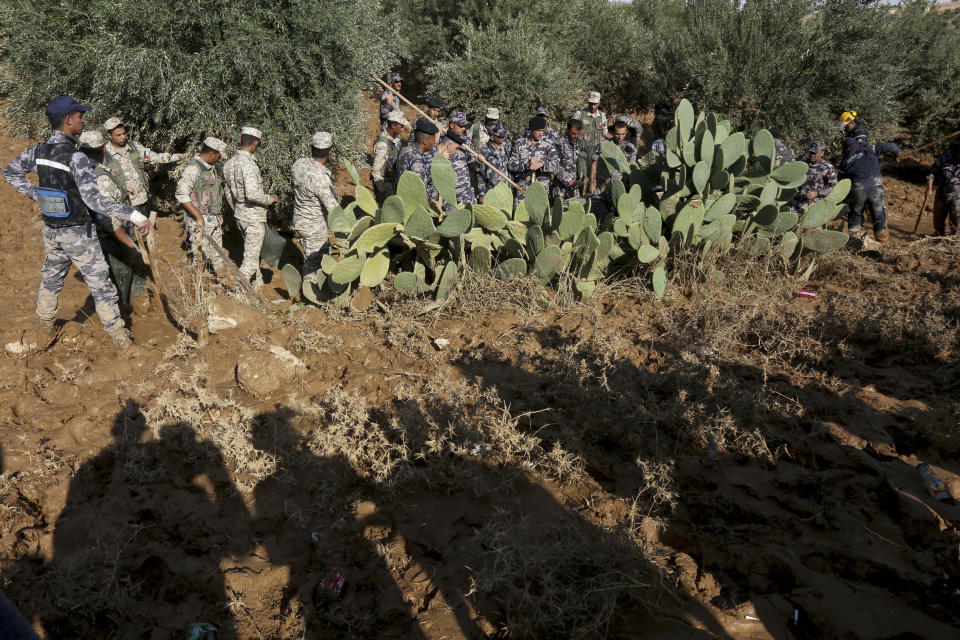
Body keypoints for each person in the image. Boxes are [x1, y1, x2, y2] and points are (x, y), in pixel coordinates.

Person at [1, 96, 153, 348]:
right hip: (78, 233)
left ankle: (46, 326)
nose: (83, 120)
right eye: (80, 116)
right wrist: (134, 215)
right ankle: (122, 341)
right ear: (68, 120)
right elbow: (95, 201)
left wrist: (37, 196)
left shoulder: (37, 151)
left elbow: (10, 171)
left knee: (51, 278)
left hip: (51, 230)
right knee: (102, 285)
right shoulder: (76, 157)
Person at [77, 130, 147, 309]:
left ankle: (128, 303)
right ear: (103, 149)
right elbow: (111, 219)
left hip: (93, 232)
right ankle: (123, 311)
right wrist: (131, 245)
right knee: (121, 271)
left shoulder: (82, 170)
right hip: (110, 235)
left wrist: (124, 189)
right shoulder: (99, 176)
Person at [222, 126, 279, 287]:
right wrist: (271, 199)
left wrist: (238, 210)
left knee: (252, 253)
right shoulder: (249, 165)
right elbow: (253, 194)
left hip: (240, 215)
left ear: (240, 140)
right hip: (253, 218)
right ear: (256, 143)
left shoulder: (229, 164)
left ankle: (257, 286)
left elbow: (228, 193)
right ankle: (238, 294)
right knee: (251, 259)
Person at [102, 116, 184, 214]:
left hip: (143, 200)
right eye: (119, 135)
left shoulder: (135, 148)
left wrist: (180, 156)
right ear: (109, 135)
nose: (123, 137)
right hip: (124, 204)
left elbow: (154, 157)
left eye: (124, 133)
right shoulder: (104, 155)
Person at [292, 131, 340, 286]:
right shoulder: (320, 177)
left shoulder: (298, 164)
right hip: (314, 225)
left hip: (299, 220)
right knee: (313, 265)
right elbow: (333, 208)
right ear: (330, 151)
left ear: (311, 148)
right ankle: (310, 296)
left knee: (314, 257)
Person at [176, 136, 229, 273]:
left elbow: (213, 193)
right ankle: (197, 288)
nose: (220, 159)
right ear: (211, 153)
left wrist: (219, 213)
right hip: (200, 221)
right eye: (219, 156)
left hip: (214, 219)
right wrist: (198, 217)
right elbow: (181, 194)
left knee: (217, 255)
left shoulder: (211, 168)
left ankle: (222, 285)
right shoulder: (194, 169)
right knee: (200, 257)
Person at [839, 133, 901, 242]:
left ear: (847, 148)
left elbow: (842, 182)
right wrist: (898, 153)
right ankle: (882, 238)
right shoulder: (871, 150)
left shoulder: (845, 161)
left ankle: (854, 238)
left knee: (855, 212)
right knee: (879, 213)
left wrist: (846, 200)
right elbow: (891, 146)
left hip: (858, 190)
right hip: (875, 187)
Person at [508, 115, 559, 203]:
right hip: (522, 191)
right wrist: (526, 165)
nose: (541, 133)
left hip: (541, 192)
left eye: (543, 130)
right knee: (520, 216)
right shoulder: (519, 144)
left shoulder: (549, 145)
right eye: (538, 130)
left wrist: (543, 164)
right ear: (531, 129)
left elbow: (556, 165)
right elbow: (511, 165)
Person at [394, 119, 440, 203]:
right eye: (433, 140)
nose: (434, 144)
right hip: (413, 205)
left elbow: (390, 167)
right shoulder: (417, 159)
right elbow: (420, 192)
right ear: (425, 141)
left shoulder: (404, 150)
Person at [588, 120, 636, 194]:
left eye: (623, 134)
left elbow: (632, 168)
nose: (620, 137)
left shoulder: (630, 148)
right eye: (617, 134)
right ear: (613, 132)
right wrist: (591, 183)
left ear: (626, 133)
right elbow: (594, 162)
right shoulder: (602, 145)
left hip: (622, 187)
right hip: (602, 185)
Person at [372, 109, 409, 201]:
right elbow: (376, 171)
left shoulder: (394, 136)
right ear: (393, 125)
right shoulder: (383, 145)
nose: (403, 128)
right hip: (387, 183)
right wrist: (382, 191)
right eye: (401, 126)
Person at [791, 141, 837, 212]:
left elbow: (833, 186)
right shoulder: (803, 163)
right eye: (811, 152)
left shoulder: (828, 167)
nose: (812, 155)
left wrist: (818, 193)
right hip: (798, 200)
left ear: (822, 153)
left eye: (815, 153)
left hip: (814, 204)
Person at [925, 142, 960, 235]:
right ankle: (938, 237)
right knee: (938, 224)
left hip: (957, 200)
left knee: (956, 223)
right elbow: (931, 173)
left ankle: (954, 241)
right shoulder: (945, 158)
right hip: (941, 195)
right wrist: (929, 189)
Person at [573, 91, 607, 179]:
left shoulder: (602, 117)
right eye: (591, 103)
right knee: (581, 177)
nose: (592, 106)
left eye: (595, 104)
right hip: (581, 152)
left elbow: (604, 133)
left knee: (594, 179)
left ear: (599, 103)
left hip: (595, 153)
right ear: (588, 102)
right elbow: (572, 130)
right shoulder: (579, 114)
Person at [476, 121, 511, 202]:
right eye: (500, 136)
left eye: (504, 135)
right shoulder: (483, 150)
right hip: (492, 192)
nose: (503, 137)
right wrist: (482, 195)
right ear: (492, 137)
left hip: (507, 191)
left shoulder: (507, 146)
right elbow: (480, 174)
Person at [446, 112, 477, 204]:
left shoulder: (466, 141)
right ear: (452, 125)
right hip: (447, 189)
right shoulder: (442, 140)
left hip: (465, 189)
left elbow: (471, 163)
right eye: (461, 126)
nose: (464, 128)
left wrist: (477, 161)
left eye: (465, 126)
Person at [553, 119, 582, 199]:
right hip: (561, 189)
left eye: (578, 134)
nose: (575, 136)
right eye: (573, 133)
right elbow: (555, 166)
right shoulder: (559, 144)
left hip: (574, 187)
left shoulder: (575, 143)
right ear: (567, 130)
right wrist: (568, 180)